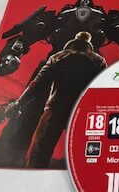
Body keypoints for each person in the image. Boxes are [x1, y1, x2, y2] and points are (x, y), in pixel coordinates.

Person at [6, 31, 106, 168]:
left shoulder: (58, 57)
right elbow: (102, 89)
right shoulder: (98, 60)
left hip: (55, 107)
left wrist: (18, 103)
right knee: (86, 152)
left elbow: (37, 84)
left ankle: (33, 176)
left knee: (40, 150)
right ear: (88, 46)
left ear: (72, 43)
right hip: (83, 111)